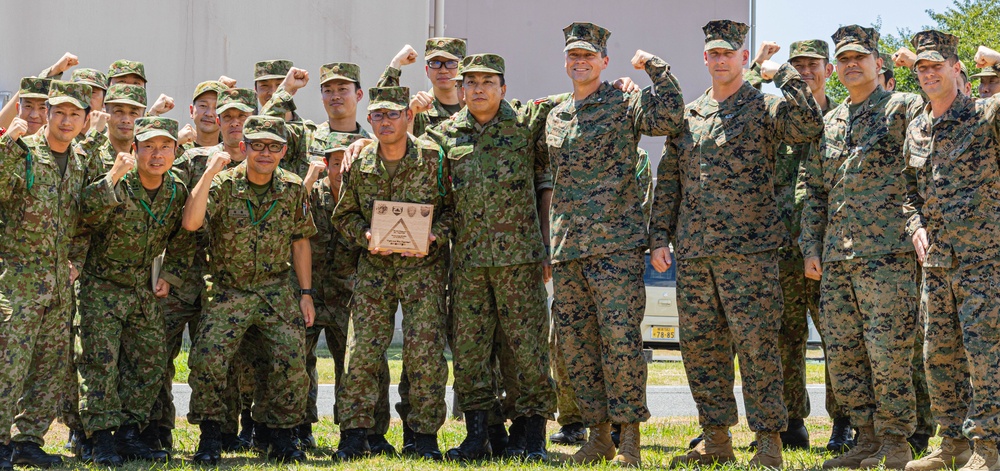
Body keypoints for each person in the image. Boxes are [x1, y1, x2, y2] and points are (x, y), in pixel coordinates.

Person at [653, 20, 822, 469]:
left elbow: (808, 124)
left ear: (743, 59)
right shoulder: (688, 115)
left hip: (750, 255)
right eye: (714, 53)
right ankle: (715, 437)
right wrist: (657, 237)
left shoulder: (764, 106)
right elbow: (669, 180)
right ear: (705, 59)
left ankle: (769, 440)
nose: (721, 60)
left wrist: (781, 73)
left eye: (729, 53)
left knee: (758, 347)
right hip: (695, 252)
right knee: (702, 348)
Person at [545, 21, 684, 467]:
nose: (579, 62)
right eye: (573, 55)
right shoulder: (555, 114)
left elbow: (670, 115)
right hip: (568, 248)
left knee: (621, 344)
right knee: (577, 346)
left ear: (604, 61)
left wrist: (653, 70)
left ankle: (629, 442)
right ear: (565, 61)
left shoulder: (626, 101)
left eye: (588, 55)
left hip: (615, 248)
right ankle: (598, 436)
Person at [420, 53, 560, 462]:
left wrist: (617, 85)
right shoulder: (446, 134)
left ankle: (532, 435)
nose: (478, 89)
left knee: (529, 350)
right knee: (469, 352)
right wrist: (360, 141)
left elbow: (572, 99)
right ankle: (478, 435)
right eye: (471, 82)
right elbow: (408, 155)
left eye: (487, 81)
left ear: (504, 87)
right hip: (468, 265)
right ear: (461, 89)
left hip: (519, 261)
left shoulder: (525, 124)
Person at [800, 25, 924, 470]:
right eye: (845, 58)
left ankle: (895, 443)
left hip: (888, 255)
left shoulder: (902, 108)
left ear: (877, 63)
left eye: (861, 57)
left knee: (889, 355)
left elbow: (950, 104)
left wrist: (924, 65)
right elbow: (814, 190)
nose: (852, 64)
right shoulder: (829, 122)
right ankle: (865, 438)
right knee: (845, 354)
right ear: (836, 68)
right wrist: (810, 246)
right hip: (837, 259)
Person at [182, 115, 316, 465]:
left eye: (274, 146)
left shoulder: (292, 187)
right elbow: (192, 223)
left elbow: (300, 241)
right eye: (257, 145)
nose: (265, 153)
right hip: (230, 289)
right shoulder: (223, 185)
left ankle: (283, 436)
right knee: (209, 358)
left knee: (290, 360)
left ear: (284, 151)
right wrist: (209, 172)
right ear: (244, 147)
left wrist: (306, 293)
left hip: (275, 289)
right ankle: (210, 435)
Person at [331, 86, 450, 461]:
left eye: (393, 114)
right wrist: (365, 235)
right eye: (378, 115)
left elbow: (454, 211)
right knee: (361, 352)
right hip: (376, 270)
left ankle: (423, 434)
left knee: (424, 354)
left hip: (423, 270)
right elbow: (344, 215)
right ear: (369, 121)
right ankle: (354, 433)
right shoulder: (361, 162)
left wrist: (436, 235)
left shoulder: (433, 158)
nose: (385, 122)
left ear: (408, 117)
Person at [745, 38, 849, 452]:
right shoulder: (778, 116)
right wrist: (757, 66)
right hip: (782, 245)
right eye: (797, 65)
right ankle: (791, 423)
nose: (806, 71)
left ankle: (844, 422)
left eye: (813, 65)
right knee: (784, 336)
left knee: (837, 337)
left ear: (828, 69)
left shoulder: (842, 116)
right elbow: (739, 105)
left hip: (832, 244)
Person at [901, 33, 1000, 471]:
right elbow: (908, 192)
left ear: (957, 69)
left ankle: (989, 449)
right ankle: (951, 444)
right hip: (937, 265)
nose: (928, 74)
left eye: (936, 65)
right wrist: (915, 225)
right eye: (921, 67)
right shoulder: (917, 126)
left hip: (985, 261)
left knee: (986, 357)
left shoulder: (985, 114)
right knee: (938, 357)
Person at [76, 116, 192, 466]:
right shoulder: (118, 182)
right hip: (101, 284)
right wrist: (112, 174)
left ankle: (129, 431)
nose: (157, 155)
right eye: (149, 147)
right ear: (134, 149)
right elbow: (85, 213)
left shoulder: (176, 190)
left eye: (165, 147)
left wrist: (169, 275)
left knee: (151, 360)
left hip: (141, 287)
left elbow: (184, 241)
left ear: (175, 151)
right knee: (101, 362)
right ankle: (99, 438)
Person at [153, 88, 259, 452]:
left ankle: (222, 431)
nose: (228, 122)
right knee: (158, 353)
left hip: (228, 279)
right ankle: (156, 430)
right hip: (182, 273)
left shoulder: (262, 163)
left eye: (239, 117)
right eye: (223, 115)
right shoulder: (193, 160)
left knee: (222, 358)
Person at [0, 80, 94, 469]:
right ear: (47, 113)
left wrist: (77, 261)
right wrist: (5, 149)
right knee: (9, 363)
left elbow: (84, 221)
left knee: (49, 366)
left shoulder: (81, 162)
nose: (67, 120)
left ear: (85, 120)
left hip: (58, 283)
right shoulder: (21, 153)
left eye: (76, 114)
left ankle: (28, 440)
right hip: (18, 279)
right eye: (61, 113)